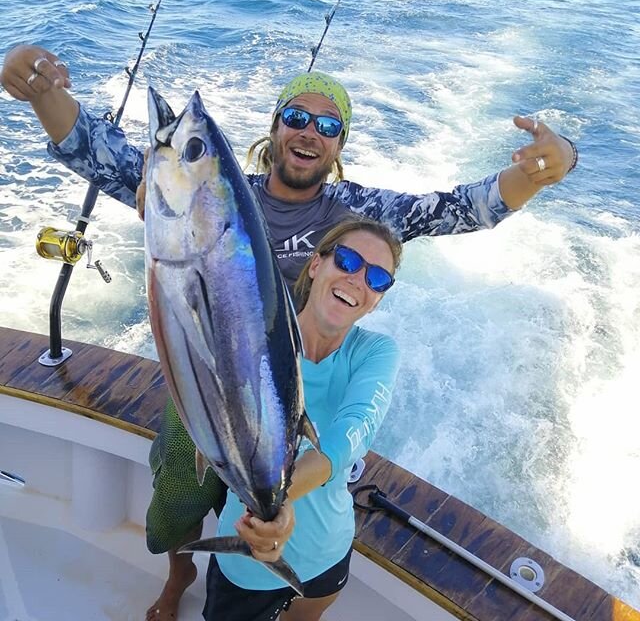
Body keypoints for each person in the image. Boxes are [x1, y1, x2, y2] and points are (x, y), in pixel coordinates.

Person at [1, 44, 578, 620]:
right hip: (207, 372)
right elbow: (105, 158)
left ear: (339, 146)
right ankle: (180, 567)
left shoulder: (353, 210)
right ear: (274, 128)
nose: (310, 132)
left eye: (328, 125)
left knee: (305, 493)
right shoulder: (207, 189)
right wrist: (43, 90)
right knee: (178, 478)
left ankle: (278, 565)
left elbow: (457, 209)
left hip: (302, 389)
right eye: (296, 118)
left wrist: (548, 166)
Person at [204, 217, 403, 621]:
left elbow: (353, 431)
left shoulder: (376, 352)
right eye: (347, 260)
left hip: (329, 551)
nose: (357, 279)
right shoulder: (256, 339)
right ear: (316, 265)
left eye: (378, 277)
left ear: (379, 297)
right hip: (248, 552)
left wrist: (278, 500)